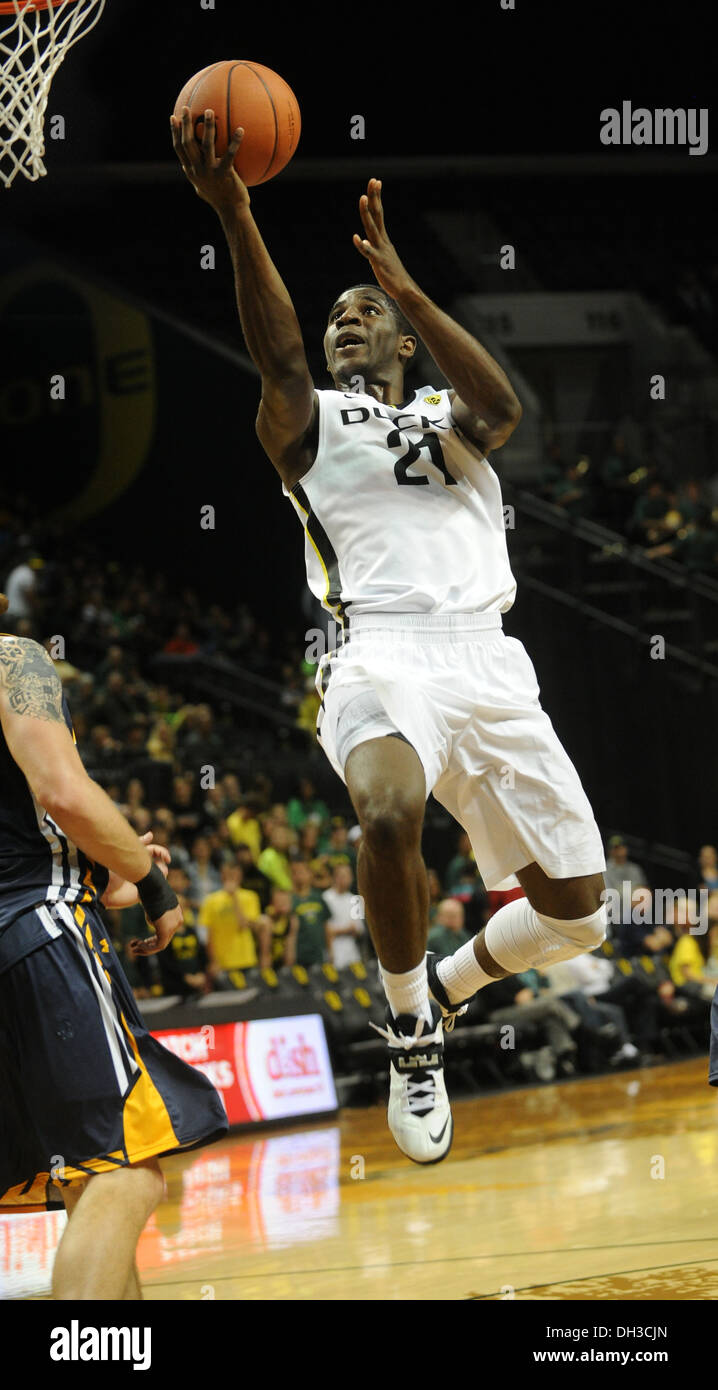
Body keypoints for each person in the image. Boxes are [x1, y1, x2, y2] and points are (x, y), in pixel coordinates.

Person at [172, 113, 606, 1166]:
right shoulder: (307, 419)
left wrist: (408, 286)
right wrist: (235, 210)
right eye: (338, 318)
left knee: (579, 914)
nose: (345, 325)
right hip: (378, 650)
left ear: (407, 337)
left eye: (365, 312)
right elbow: (274, 353)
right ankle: (411, 1027)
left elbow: (503, 409)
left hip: (487, 657)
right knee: (387, 806)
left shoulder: (455, 421)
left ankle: (450, 987)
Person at [0, 611, 228, 1298]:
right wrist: (154, 884)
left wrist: (98, 872)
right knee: (127, 1173)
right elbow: (63, 793)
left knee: (89, 1178)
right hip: (38, 936)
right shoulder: (14, 660)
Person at [199, 860, 271, 978]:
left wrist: (234, 898)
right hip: (223, 963)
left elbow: (244, 925)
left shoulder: (250, 897)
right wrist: (213, 961)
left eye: (234, 874)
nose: (231, 878)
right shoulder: (210, 901)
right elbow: (209, 935)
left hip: (246, 960)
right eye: (228, 874)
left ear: (240, 876)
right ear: (222, 875)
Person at [323, 861, 364, 968]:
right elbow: (326, 929)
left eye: (349, 876)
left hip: (352, 953)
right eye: (343, 876)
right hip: (332, 952)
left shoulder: (356, 900)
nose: (347, 879)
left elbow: (359, 929)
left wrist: (337, 931)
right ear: (335, 878)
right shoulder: (325, 898)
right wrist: (347, 929)